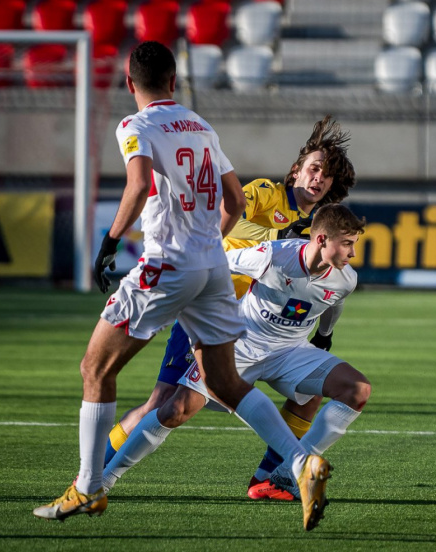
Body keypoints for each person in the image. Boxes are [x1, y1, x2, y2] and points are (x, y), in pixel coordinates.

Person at [33, 42, 330, 532]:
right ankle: (302, 464)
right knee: (225, 384)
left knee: (95, 367)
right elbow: (233, 198)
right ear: (173, 80)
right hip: (212, 266)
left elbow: (138, 185)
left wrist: (108, 244)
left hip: (166, 264)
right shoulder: (200, 125)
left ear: (131, 84)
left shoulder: (135, 125)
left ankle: (88, 488)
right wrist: (208, 242)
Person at [100, 116, 357, 502]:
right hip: (210, 310)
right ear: (296, 170)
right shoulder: (267, 194)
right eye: (313, 168)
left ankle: (269, 478)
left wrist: (323, 334)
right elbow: (225, 214)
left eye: (326, 175)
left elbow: (333, 288)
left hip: (258, 330)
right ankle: (95, 474)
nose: (318, 178)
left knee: (308, 395)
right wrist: (275, 236)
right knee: (164, 405)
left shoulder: (322, 230)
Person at [102, 204, 370, 531]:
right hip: (240, 345)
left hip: (291, 352)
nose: (353, 253)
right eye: (347, 243)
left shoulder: (347, 279)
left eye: (354, 244)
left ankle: (287, 475)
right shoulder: (272, 256)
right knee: (175, 409)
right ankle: (103, 482)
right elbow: (215, 263)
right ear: (322, 238)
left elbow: (333, 302)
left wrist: (325, 336)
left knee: (356, 390)